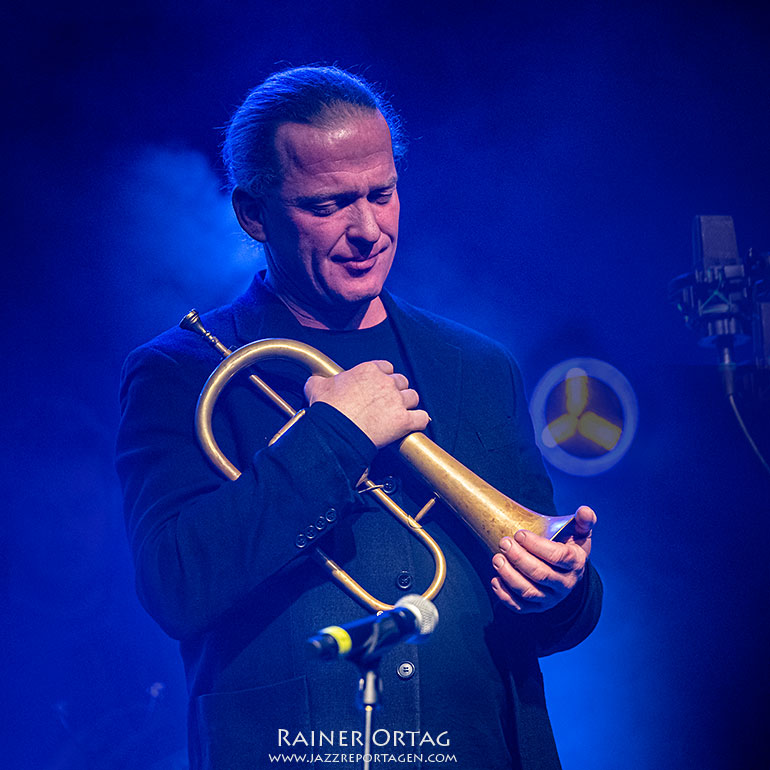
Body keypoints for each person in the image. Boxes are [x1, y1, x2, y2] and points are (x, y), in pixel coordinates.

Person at [116, 65, 602, 770]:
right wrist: (335, 437)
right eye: (328, 205)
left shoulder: (477, 366)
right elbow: (174, 586)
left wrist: (560, 592)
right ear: (253, 214)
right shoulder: (180, 370)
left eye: (383, 193)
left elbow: (552, 605)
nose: (368, 229)